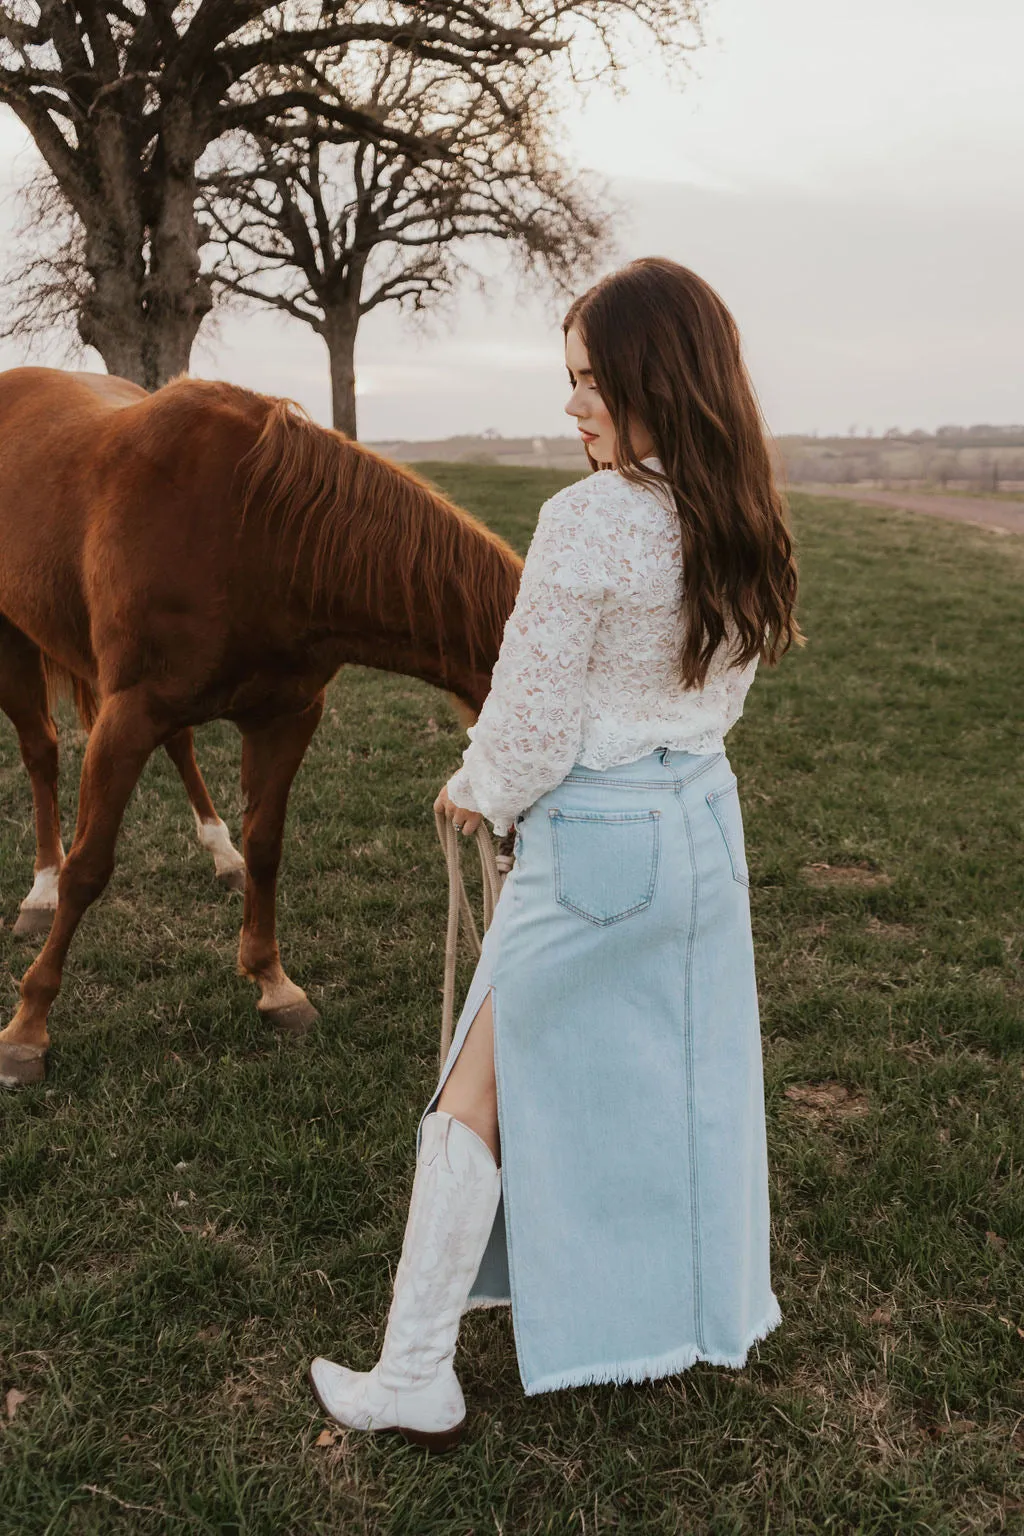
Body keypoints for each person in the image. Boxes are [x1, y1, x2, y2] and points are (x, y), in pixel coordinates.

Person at [309, 256, 805, 1449]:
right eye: (569, 379)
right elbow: (703, 696)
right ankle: (693, 1311)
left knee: (471, 1093)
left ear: (654, 379)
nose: (572, 404)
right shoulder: (741, 510)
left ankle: (414, 1369)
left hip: (594, 845)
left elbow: (527, 723)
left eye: (592, 380)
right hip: (698, 833)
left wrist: (477, 788)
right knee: (682, 1081)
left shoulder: (588, 519)